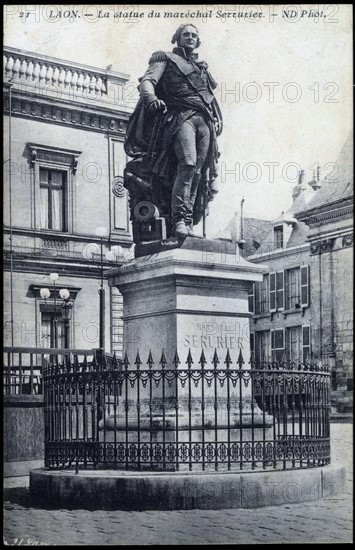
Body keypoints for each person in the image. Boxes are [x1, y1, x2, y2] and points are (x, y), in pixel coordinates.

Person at [124, 24, 223, 238]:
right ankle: (178, 220)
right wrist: (151, 100)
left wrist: (216, 118)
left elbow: (209, 99)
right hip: (180, 116)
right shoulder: (165, 59)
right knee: (187, 165)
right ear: (177, 38)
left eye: (193, 35)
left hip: (204, 121)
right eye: (185, 34)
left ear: (198, 41)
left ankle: (187, 223)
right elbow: (147, 82)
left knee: (199, 171)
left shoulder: (201, 68)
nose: (190, 37)